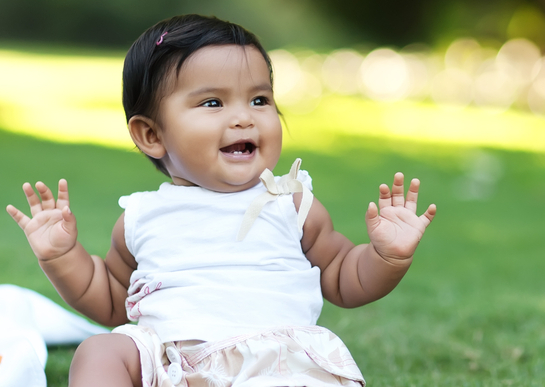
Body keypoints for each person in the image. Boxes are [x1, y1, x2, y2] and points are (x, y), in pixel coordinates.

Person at [5, 14, 436, 387]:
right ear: (152, 135)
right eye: (213, 102)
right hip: (169, 362)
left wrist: (387, 257)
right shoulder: (142, 216)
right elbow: (113, 300)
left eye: (259, 99)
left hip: (274, 362)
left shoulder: (288, 203)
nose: (244, 116)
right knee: (99, 352)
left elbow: (344, 277)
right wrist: (62, 256)